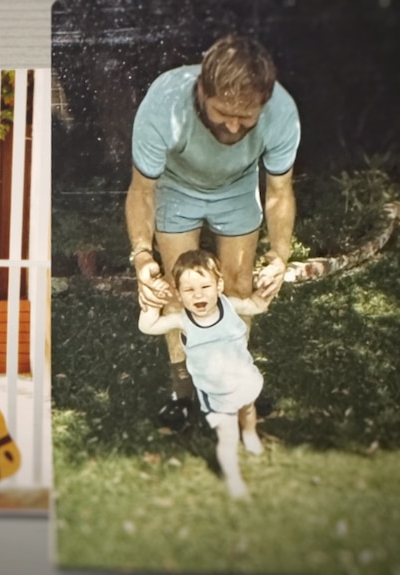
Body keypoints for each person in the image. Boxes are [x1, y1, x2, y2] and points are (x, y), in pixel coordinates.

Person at [125, 34, 300, 430]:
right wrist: (141, 255)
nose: (235, 126)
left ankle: (233, 385)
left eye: (247, 117)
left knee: (237, 286)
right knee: (176, 288)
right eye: (224, 112)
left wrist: (280, 255)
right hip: (177, 187)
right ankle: (183, 396)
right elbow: (142, 191)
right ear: (202, 91)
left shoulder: (282, 112)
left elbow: (278, 192)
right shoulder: (163, 104)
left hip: (237, 188)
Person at [139, 249, 272, 498]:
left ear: (219, 285)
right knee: (227, 435)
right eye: (189, 290)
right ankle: (233, 477)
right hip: (216, 392)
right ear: (178, 294)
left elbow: (256, 305)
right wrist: (150, 304)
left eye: (205, 286)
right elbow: (148, 326)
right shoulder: (183, 321)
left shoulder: (230, 306)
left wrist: (264, 294)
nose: (198, 294)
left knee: (248, 409)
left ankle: (251, 433)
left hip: (242, 377)